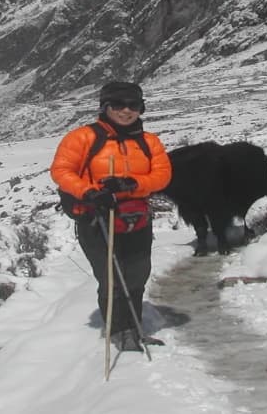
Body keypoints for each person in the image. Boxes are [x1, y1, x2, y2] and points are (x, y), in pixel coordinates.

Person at [50, 81, 172, 352]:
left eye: (134, 105)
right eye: (118, 105)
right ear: (105, 107)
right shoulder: (83, 138)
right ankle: (118, 331)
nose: (126, 111)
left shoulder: (149, 141)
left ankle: (135, 327)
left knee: (138, 273)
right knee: (111, 277)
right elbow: (62, 170)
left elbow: (162, 176)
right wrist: (90, 192)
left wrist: (131, 184)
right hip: (97, 220)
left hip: (134, 217)